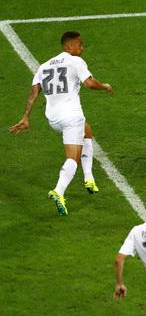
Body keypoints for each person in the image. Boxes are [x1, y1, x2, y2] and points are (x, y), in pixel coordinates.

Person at [9, 31, 113, 216]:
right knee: (73, 158)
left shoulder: (44, 66)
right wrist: (104, 86)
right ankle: (59, 191)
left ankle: (89, 178)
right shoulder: (75, 62)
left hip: (53, 118)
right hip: (71, 117)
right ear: (68, 47)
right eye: (79, 45)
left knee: (87, 131)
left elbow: (34, 93)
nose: (82, 48)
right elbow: (89, 83)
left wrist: (25, 117)